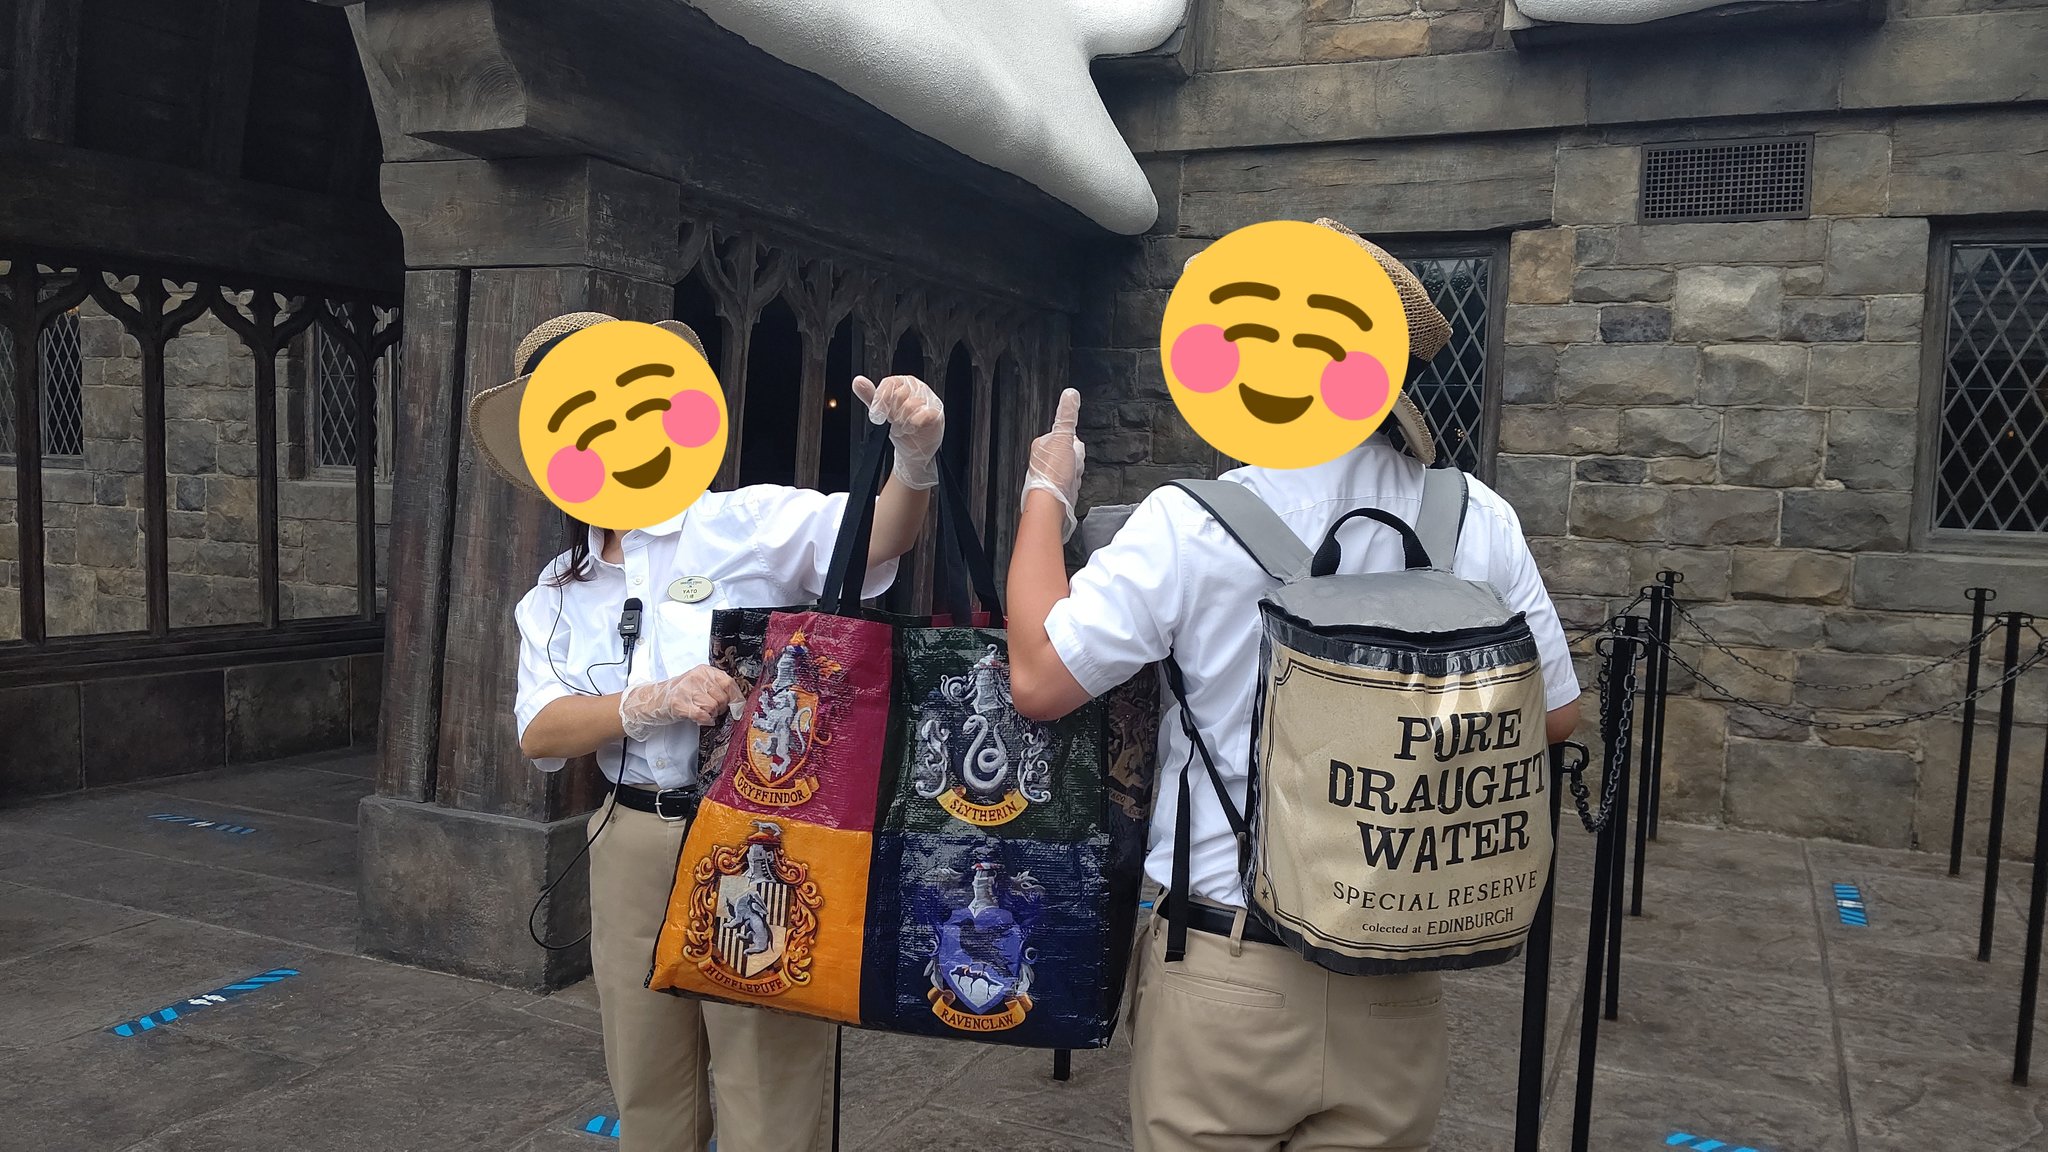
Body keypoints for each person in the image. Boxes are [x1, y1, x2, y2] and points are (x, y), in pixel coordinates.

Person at [1002, 238, 1581, 1151]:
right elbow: (1553, 715)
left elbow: (1038, 678)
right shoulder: (1477, 516)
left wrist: (1047, 493)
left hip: (1227, 960)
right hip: (1397, 963)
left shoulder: (1188, 524)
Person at [477, 312, 945, 1152]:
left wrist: (913, 460)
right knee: (647, 1075)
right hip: (631, 834)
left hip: (753, 830)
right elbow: (540, 730)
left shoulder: (740, 522)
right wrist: (645, 701)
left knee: (768, 1076)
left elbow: (876, 538)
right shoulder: (559, 589)